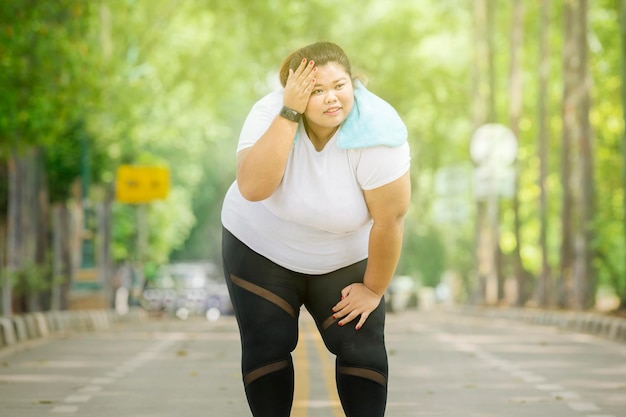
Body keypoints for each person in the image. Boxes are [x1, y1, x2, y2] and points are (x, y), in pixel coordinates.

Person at [221, 41, 411, 417]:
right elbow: (253, 188)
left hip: (343, 256)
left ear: (354, 84)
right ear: (292, 92)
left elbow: (390, 221)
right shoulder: (268, 113)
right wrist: (289, 112)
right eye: (316, 90)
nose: (331, 99)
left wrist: (373, 290)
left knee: (362, 347)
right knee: (268, 342)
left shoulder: (379, 132)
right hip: (261, 247)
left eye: (340, 86)